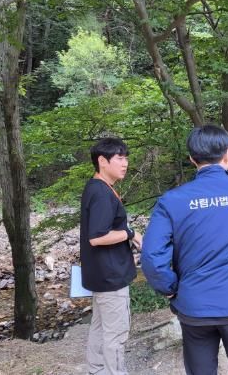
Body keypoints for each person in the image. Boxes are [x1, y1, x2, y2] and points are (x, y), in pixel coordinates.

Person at [141, 124, 228, 375]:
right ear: (227, 154)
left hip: (194, 307)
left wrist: (170, 288)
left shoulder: (172, 201)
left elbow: (151, 256)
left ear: (192, 159)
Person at [80, 137, 142, 375]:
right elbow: (97, 237)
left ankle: (96, 370)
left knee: (99, 328)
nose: (125, 163)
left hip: (100, 274)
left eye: (126, 158)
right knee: (116, 333)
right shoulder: (101, 193)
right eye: (120, 158)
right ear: (102, 161)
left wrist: (129, 234)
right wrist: (130, 233)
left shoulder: (95, 187)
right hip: (110, 275)